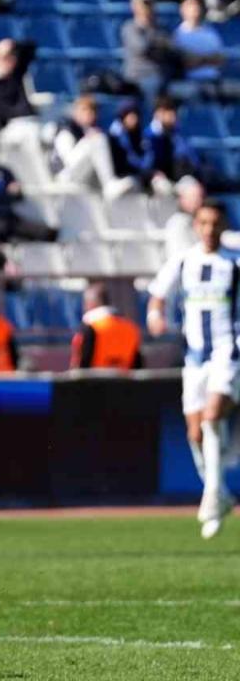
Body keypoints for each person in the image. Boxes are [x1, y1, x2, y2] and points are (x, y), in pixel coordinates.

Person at [148, 200, 237, 539]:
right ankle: (221, 494)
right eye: (204, 223)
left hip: (229, 352)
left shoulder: (235, 263)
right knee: (195, 434)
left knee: (213, 415)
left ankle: (212, 497)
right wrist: (156, 315)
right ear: (196, 226)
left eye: (216, 223)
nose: (210, 229)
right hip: (195, 358)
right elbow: (158, 295)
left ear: (223, 225)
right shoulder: (184, 261)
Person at [0, 132, 56, 242]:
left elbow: (18, 196)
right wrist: (6, 194)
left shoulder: (5, 172)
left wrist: (4, 195)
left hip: (9, 218)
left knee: (48, 233)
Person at [51, 95, 139, 202]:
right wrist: (89, 139)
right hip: (65, 177)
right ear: (75, 112)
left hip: (83, 177)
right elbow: (68, 161)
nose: (89, 114)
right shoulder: (66, 130)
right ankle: (109, 185)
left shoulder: (86, 130)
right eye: (84, 110)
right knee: (97, 138)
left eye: (92, 111)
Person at [122, 0, 176, 107]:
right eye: (145, 3)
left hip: (163, 75)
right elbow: (142, 48)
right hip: (139, 77)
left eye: (151, 3)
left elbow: (171, 49)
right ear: (134, 5)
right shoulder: (130, 27)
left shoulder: (162, 28)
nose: (148, 7)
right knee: (154, 85)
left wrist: (158, 47)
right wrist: (160, 46)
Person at [71, 283, 142, 370]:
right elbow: (138, 365)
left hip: (94, 382)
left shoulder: (90, 328)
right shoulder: (131, 328)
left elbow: (81, 364)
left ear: (90, 303)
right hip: (124, 382)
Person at [146, 97, 202, 193]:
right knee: (161, 185)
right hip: (156, 179)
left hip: (179, 177)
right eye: (169, 112)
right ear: (158, 113)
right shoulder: (148, 136)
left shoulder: (177, 136)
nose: (173, 117)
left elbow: (193, 160)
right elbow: (146, 163)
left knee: (192, 185)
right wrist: (152, 172)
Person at [172, 0, 225, 91]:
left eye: (196, 6)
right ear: (182, 10)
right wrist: (208, 59)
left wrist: (199, 59)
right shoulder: (177, 35)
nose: (194, 9)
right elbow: (185, 62)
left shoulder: (210, 32)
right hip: (188, 81)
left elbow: (220, 59)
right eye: (190, 6)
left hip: (214, 80)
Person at [165, 178, 208, 258]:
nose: (198, 202)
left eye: (200, 197)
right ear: (182, 198)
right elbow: (179, 257)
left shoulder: (201, 220)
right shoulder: (177, 223)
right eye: (193, 197)